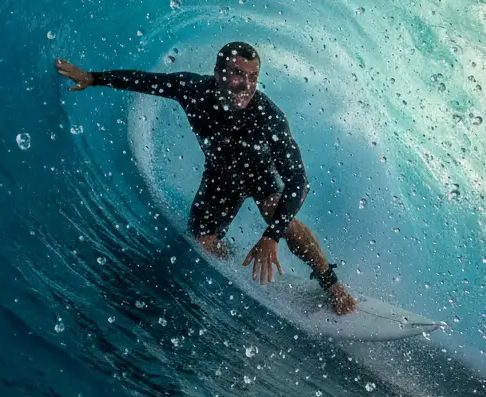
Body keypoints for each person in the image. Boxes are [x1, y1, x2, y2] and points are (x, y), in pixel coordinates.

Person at [55, 42, 357, 316]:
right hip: (221, 178)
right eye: (238, 74)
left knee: (276, 212)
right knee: (204, 242)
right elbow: (147, 82)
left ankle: (331, 284)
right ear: (218, 72)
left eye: (253, 76)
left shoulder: (268, 117)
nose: (247, 85)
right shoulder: (194, 89)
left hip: (260, 176)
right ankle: (235, 259)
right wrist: (93, 78)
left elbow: (299, 181)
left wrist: (271, 236)